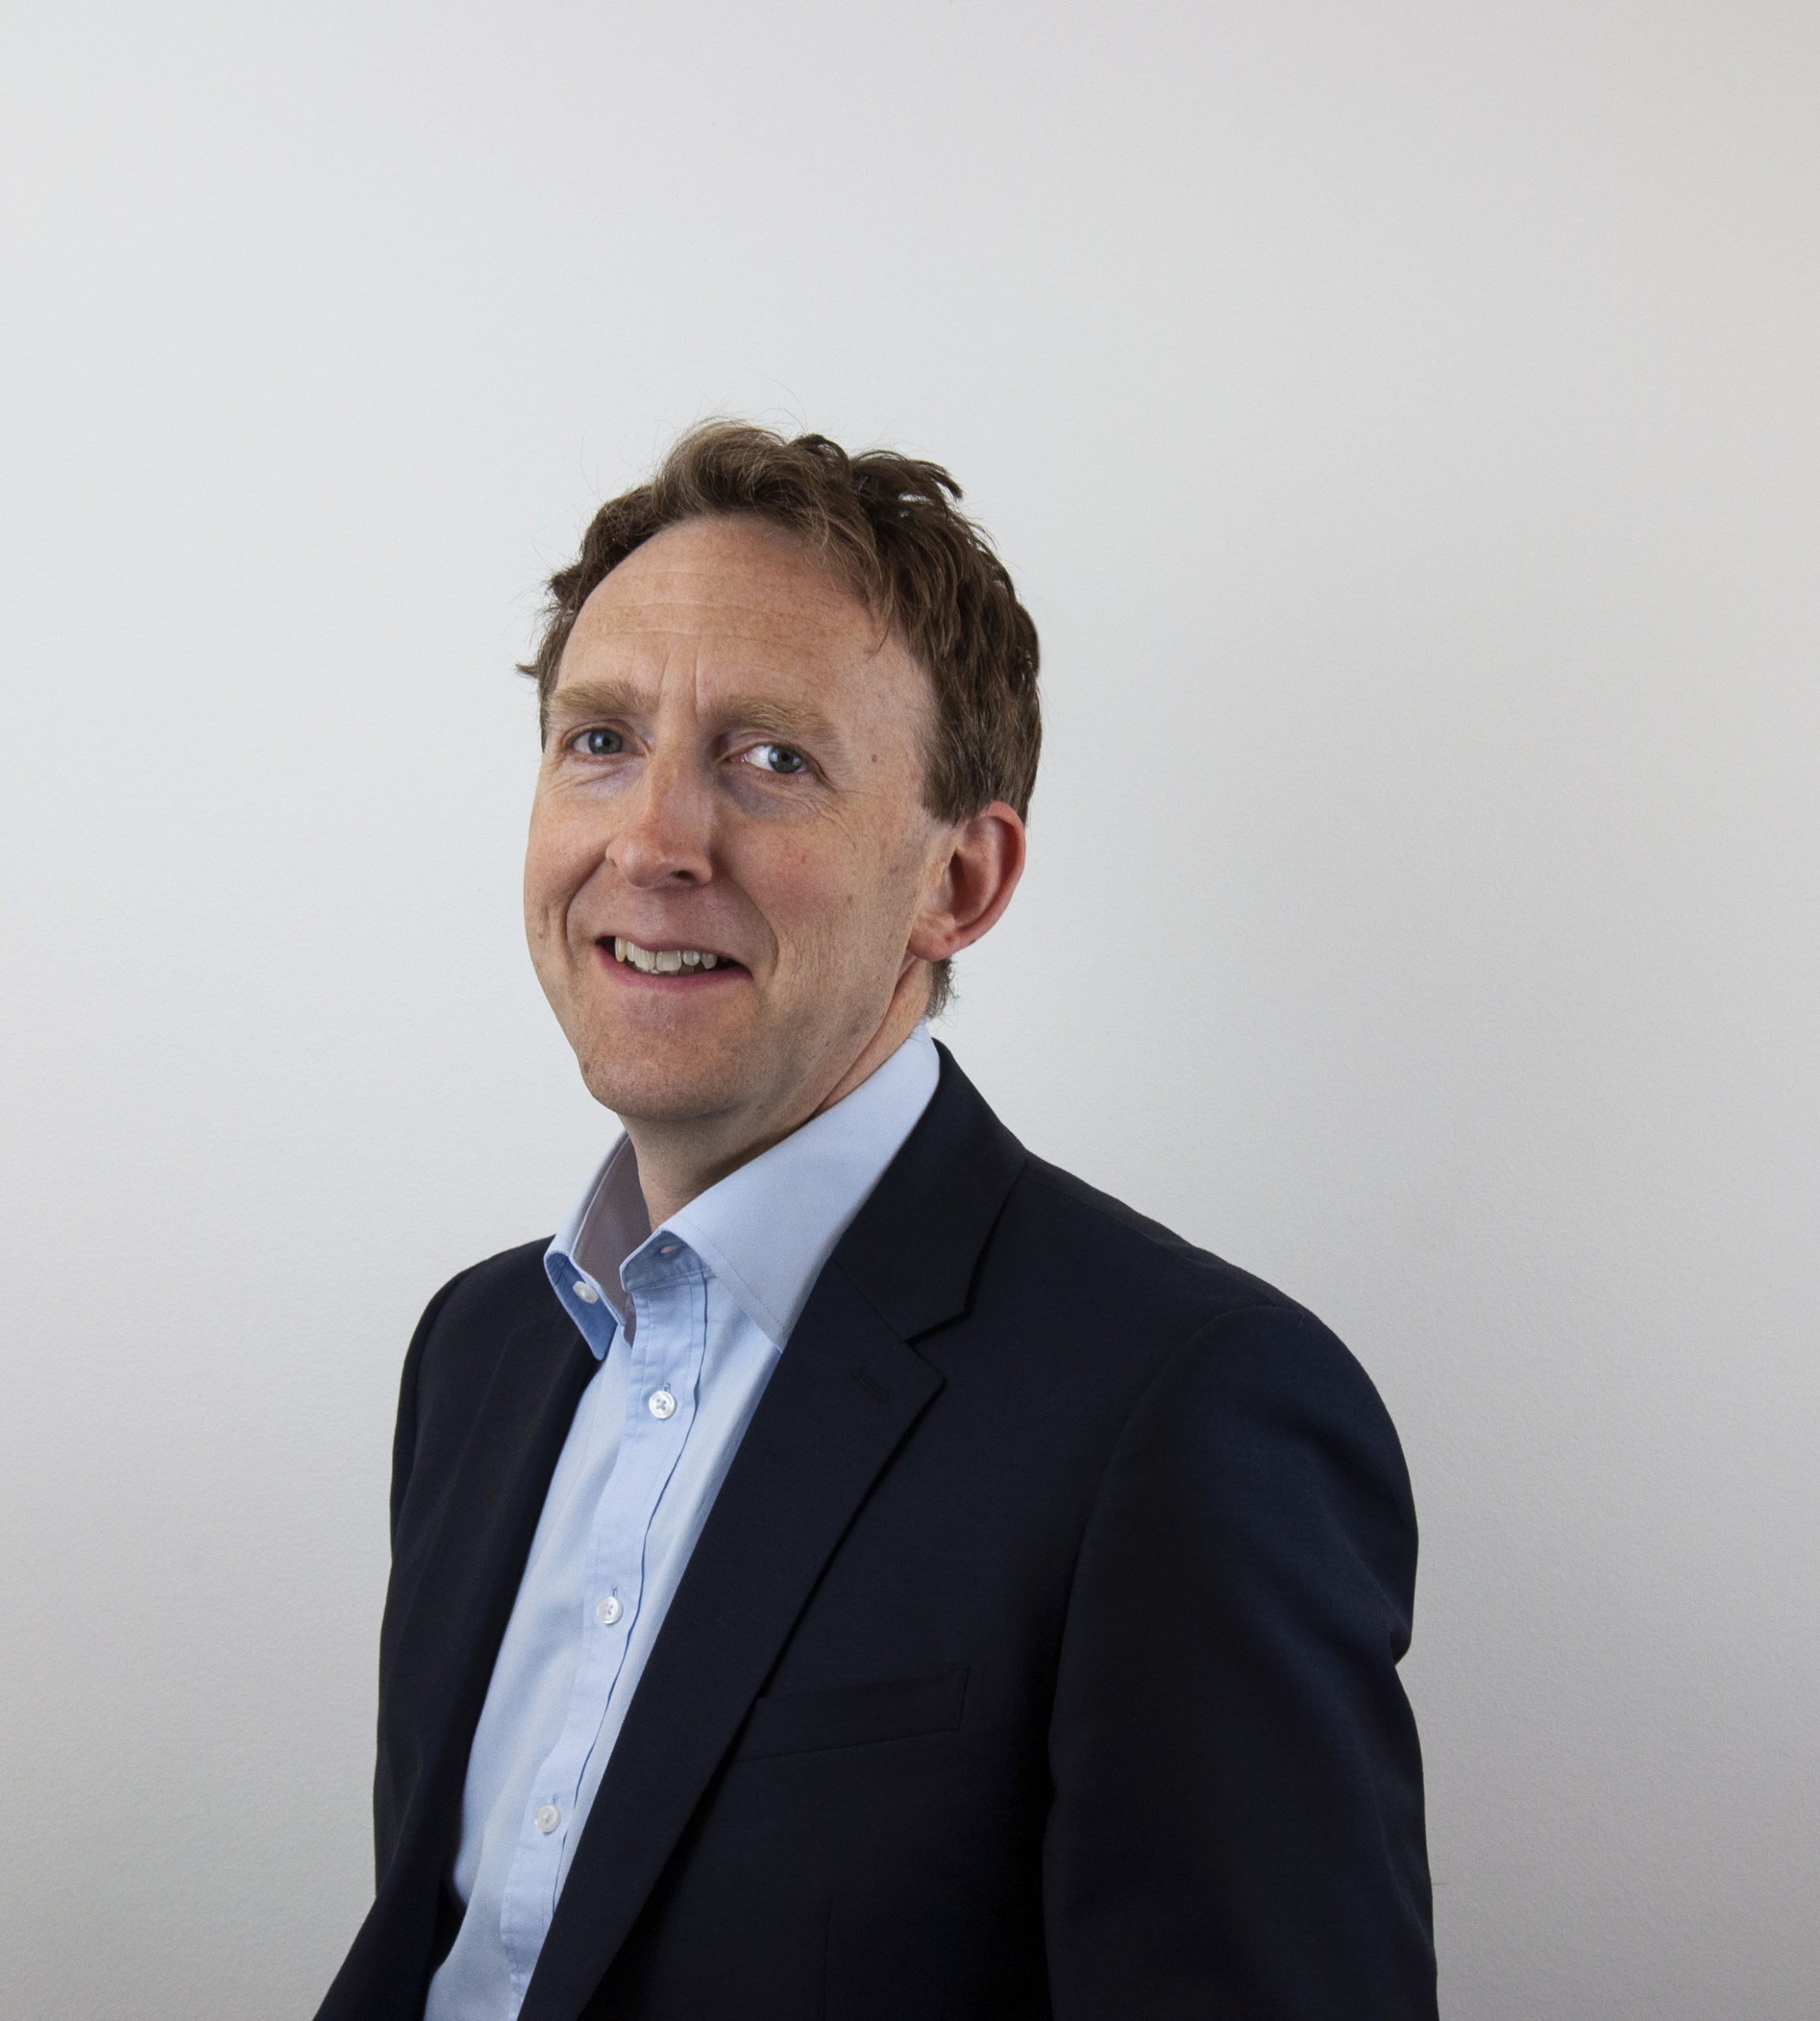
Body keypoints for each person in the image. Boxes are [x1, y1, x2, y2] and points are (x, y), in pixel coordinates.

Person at [314, 424, 1437, 2021]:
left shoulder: (1185, 1409)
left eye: (772, 758)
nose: (651, 841)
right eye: (600, 739)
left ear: (960, 882)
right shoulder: (482, 1352)